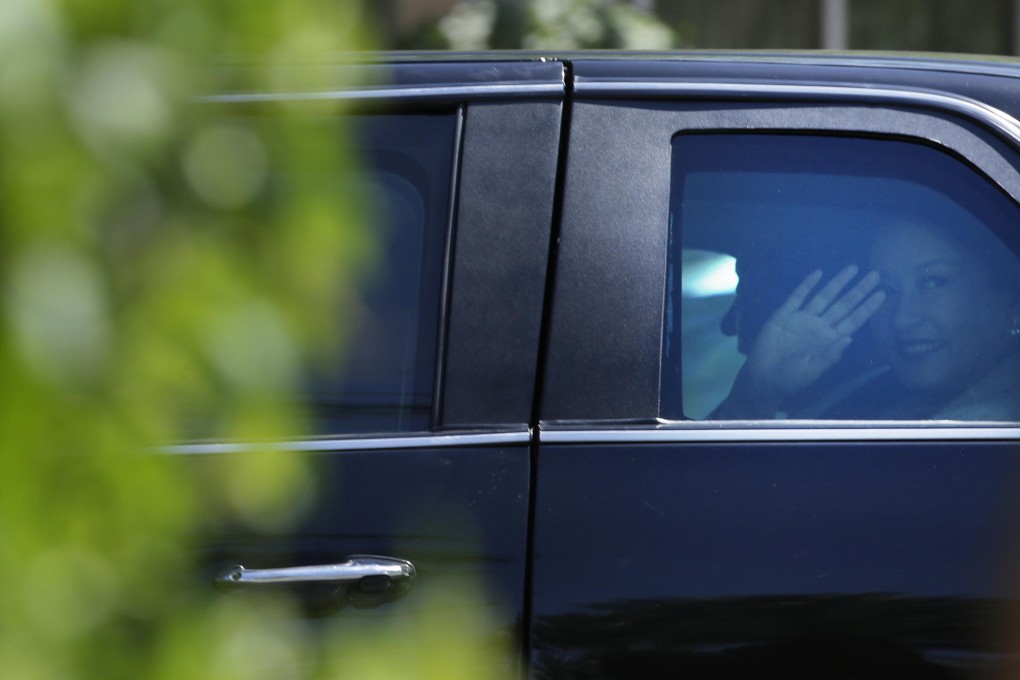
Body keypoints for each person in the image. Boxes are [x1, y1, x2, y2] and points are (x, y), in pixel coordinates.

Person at [712, 217, 1020, 421]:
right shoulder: (871, 391)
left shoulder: (1001, 427)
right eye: (887, 289)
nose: (902, 318)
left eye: (933, 281)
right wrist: (759, 389)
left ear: (1010, 297)